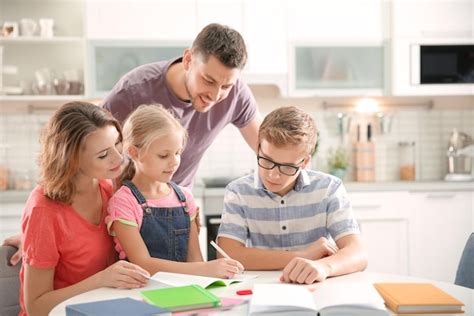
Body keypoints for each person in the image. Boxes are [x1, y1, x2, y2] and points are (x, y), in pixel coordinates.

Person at [18, 102, 150, 316]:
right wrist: (101, 280)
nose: (119, 158)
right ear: (70, 159)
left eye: (118, 143)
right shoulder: (43, 209)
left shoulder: (110, 188)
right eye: (103, 155)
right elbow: (36, 307)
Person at [217, 106, 368, 284]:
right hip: (263, 287)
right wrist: (302, 256)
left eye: (287, 167)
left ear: (305, 162)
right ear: (258, 148)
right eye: (266, 160)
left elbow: (358, 253)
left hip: (316, 286)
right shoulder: (238, 191)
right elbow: (227, 254)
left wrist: (324, 266)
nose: (273, 175)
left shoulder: (329, 189)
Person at [102, 23, 262, 189]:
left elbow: (267, 148)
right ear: (188, 60)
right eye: (208, 80)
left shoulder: (236, 93)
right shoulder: (132, 92)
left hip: (180, 206)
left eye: (226, 86)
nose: (215, 96)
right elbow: (91, 151)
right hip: (129, 205)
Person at [106, 105, 244, 278]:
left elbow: (195, 259)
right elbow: (143, 264)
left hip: (183, 290)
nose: (174, 162)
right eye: (164, 155)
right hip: (142, 293)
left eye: (177, 153)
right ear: (134, 152)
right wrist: (206, 269)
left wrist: (213, 272)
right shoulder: (124, 202)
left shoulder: (184, 198)